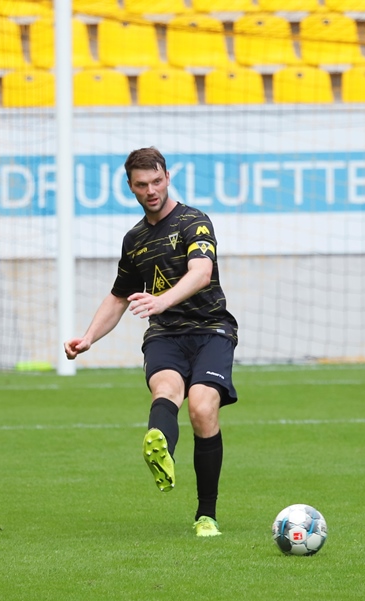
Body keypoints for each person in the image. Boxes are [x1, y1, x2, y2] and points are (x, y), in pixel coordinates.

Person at [64, 147, 238, 538]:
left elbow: (201, 272)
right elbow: (118, 296)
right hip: (165, 335)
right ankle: (161, 450)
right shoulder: (135, 239)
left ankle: (206, 515)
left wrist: (162, 300)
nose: (151, 190)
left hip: (211, 329)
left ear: (168, 177)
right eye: (142, 185)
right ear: (130, 187)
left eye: (157, 181)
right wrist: (88, 338)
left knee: (202, 407)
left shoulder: (194, 221)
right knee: (166, 389)